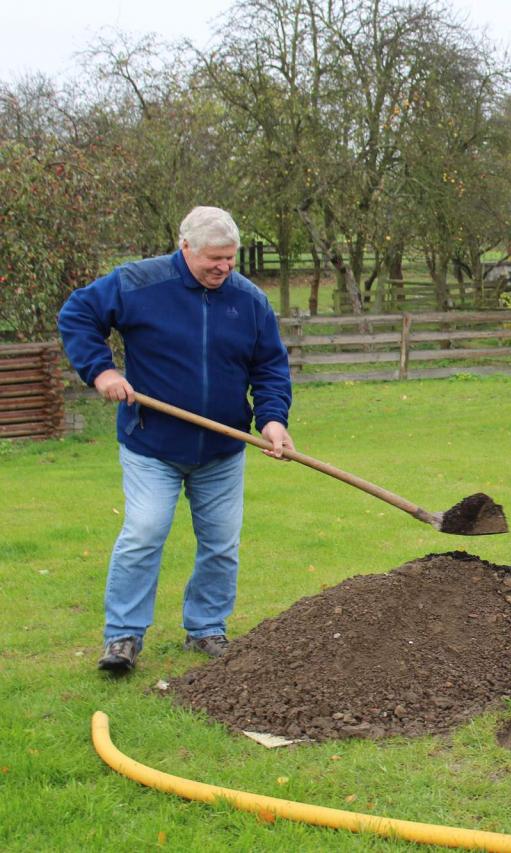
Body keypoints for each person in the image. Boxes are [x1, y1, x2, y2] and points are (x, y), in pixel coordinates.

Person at [58, 206, 294, 674]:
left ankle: (206, 628)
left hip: (222, 450)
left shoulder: (248, 300)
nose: (224, 267)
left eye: (230, 258)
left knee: (221, 544)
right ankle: (123, 636)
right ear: (185, 246)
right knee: (144, 532)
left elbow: (269, 366)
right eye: (214, 258)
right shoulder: (139, 283)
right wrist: (102, 371)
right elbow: (78, 313)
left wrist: (271, 420)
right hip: (153, 443)